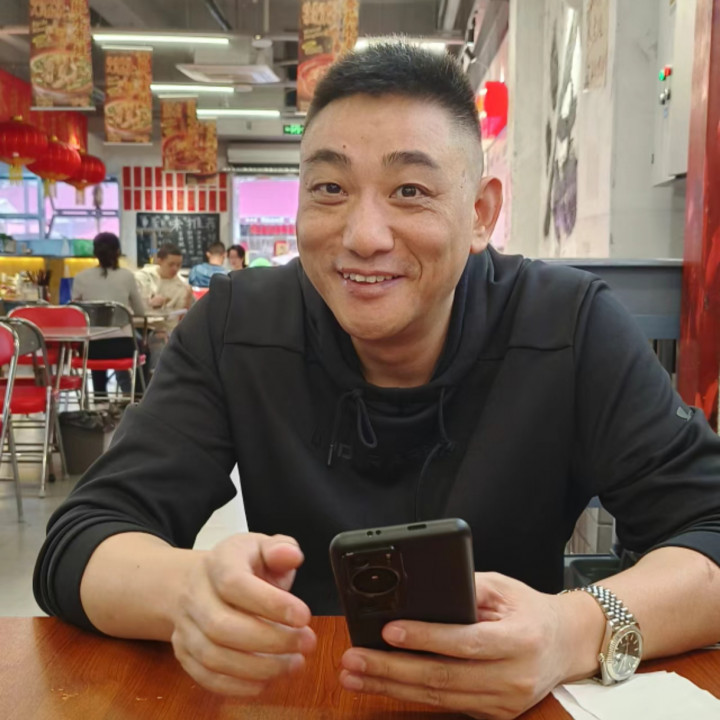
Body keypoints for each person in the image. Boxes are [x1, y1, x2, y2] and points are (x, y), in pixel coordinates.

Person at [35, 44, 720, 719]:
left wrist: (573, 630)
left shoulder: (566, 324)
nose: (364, 236)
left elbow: (708, 525)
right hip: (301, 694)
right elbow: (82, 540)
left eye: (410, 191)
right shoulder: (238, 325)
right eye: (330, 189)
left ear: (480, 214)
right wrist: (186, 592)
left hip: (508, 705)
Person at [70, 232, 145, 398]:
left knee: (96, 336)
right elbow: (141, 311)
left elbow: (75, 313)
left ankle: (100, 398)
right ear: (118, 252)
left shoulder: (81, 277)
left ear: (94, 253)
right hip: (124, 347)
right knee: (144, 348)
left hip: (90, 350)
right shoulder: (127, 276)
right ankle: (138, 396)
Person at [135, 243, 194, 373]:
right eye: (171, 264)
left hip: (161, 328)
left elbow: (177, 317)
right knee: (134, 344)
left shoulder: (182, 286)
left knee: (160, 343)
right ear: (159, 261)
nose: (175, 269)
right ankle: (134, 384)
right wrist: (149, 302)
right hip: (137, 325)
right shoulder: (142, 277)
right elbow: (134, 304)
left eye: (178, 265)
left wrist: (167, 331)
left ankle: (155, 380)